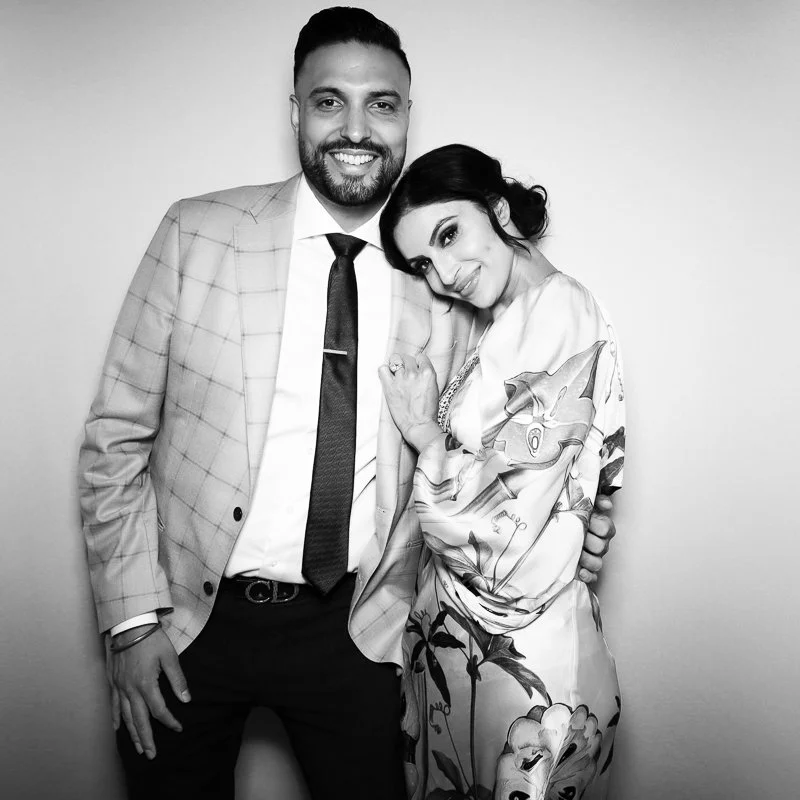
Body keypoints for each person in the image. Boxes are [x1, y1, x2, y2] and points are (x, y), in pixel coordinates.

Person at [77, 8, 616, 800]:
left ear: (406, 115)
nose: (356, 127)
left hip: (366, 632)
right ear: (296, 111)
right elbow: (115, 437)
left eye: (383, 104)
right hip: (188, 623)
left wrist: (580, 521)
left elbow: (516, 444)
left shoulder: (448, 274)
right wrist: (130, 624)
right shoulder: (199, 232)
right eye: (330, 101)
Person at [378, 144, 625, 800]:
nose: (444, 273)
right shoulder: (506, 326)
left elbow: (492, 532)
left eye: (450, 234)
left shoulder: (561, 310)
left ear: (496, 208)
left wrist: (426, 430)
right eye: (423, 263)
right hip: (469, 666)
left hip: (524, 675)